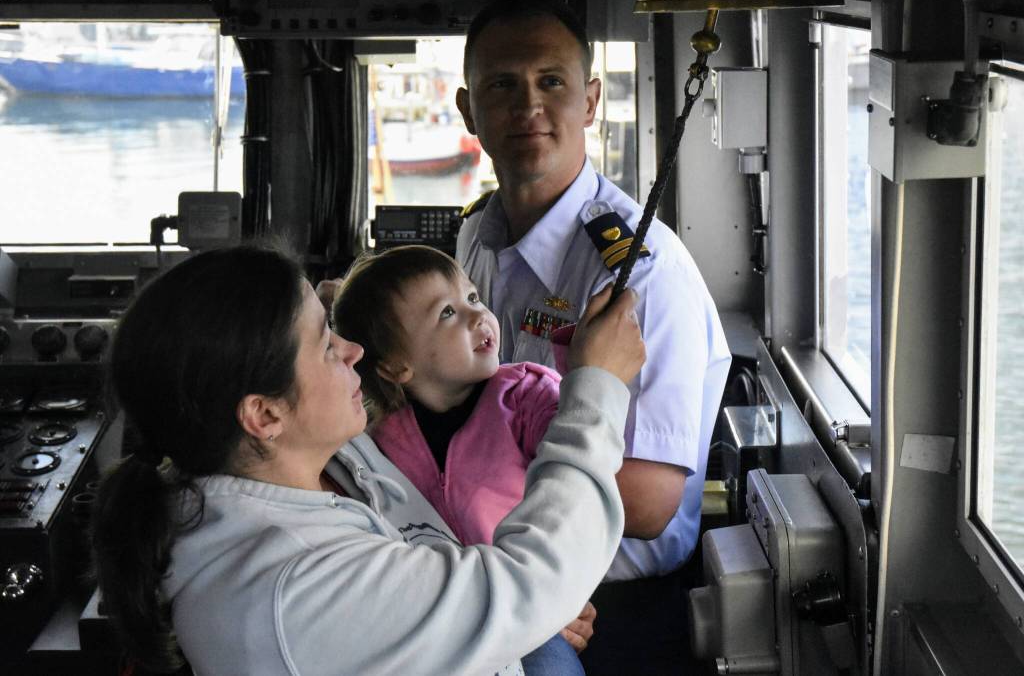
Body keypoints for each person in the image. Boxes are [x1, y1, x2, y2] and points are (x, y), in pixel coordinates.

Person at [91, 244, 644, 676]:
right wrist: (596, 385)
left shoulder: (334, 465)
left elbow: (473, 576)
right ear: (264, 415)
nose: (354, 350)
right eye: (326, 343)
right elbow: (528, 582)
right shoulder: (291, 588)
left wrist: (522, 621)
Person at [453, 0, 732, 671]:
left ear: (591, 101)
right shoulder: (475, 238)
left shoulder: (640, 273)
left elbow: (647, 504)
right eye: (502, 85)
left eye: (552, 81)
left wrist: (466, 496)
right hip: (499, 574)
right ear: (469, 111)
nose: (529, 107)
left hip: (613, 609)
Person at [331, 244, 589, 675]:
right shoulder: (380, 443)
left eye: (472, 297)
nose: (477, 316)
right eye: (446, 314)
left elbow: (577, 442)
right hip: (443, 619)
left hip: (526, 605)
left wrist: (581, 366)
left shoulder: (523, 396)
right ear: (396, 368)